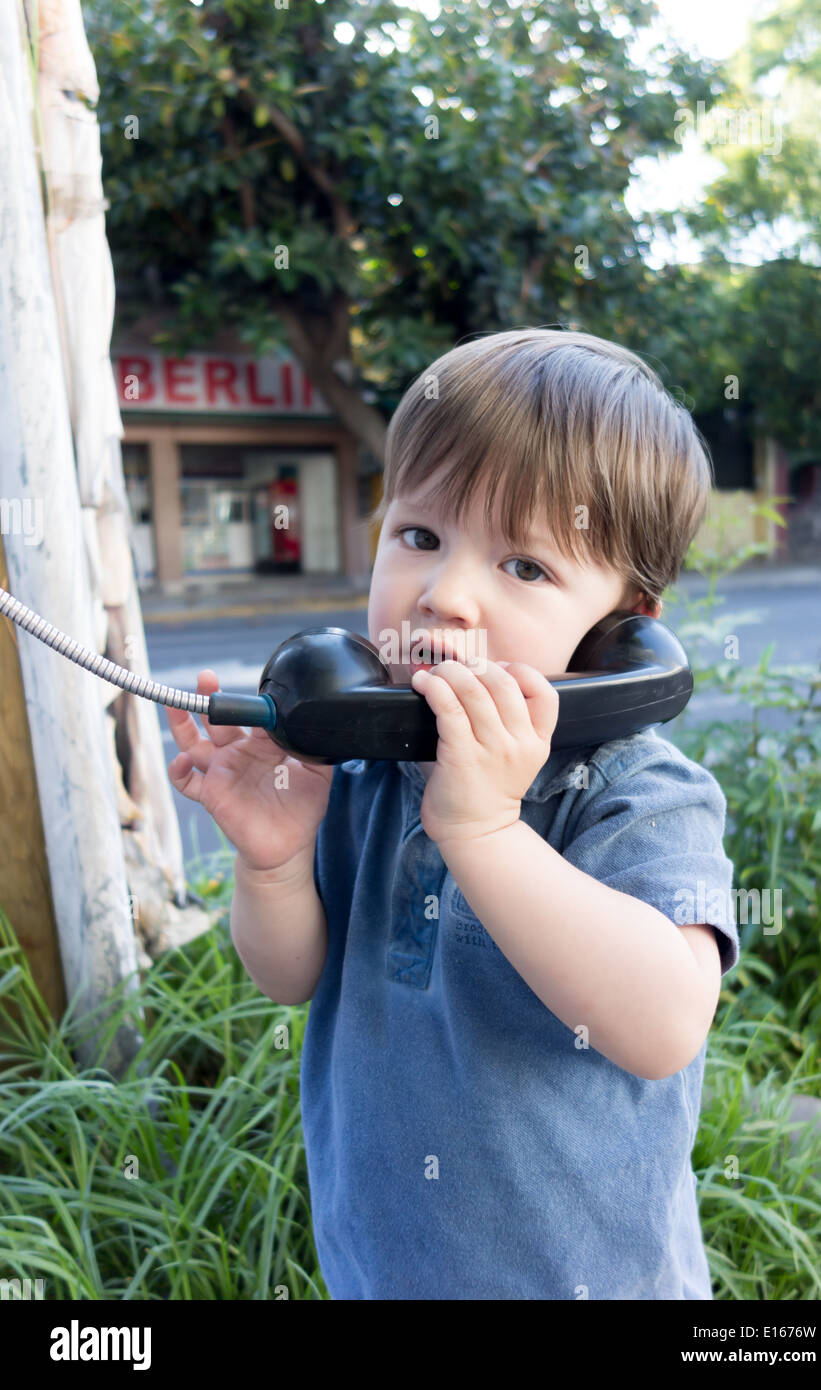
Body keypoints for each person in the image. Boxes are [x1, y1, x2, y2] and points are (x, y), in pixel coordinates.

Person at [167, 327, 739, 1300]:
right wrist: (271, 862)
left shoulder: (632, 794)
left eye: (523, 566)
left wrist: (481, 832)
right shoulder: (363, 770)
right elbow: (290, 977)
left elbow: (661, 1024)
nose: (442, 596)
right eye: (420, 537)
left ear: (617, 630)